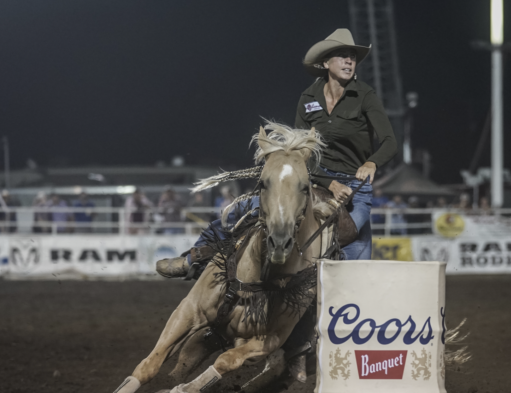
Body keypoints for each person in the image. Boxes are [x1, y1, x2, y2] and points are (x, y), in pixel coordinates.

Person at [156, 28, 398, 277]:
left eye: (352, 57)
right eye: (342, 56)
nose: (349, 61)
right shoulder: (308, 97)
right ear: (326, 63)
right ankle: (193, 257)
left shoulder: (365, 96)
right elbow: (301, 150)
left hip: (355, 188)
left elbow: (390, 141)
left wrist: (372, 162)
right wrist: (330, 183)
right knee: (247, 208)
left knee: (350, 238)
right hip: (314, 180)